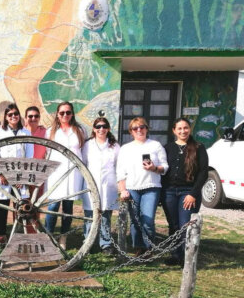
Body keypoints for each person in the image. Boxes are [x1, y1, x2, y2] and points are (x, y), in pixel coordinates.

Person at [117, 117, 168, 256]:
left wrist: (154, 168)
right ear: (131, 132)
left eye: (142, 127)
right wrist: (123, 190)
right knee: (135, 220)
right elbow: (120, 172)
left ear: (147, 129)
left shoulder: (155, 145)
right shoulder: (125, 148)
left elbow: (165, 166)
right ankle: (138, 247)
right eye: (135, 128)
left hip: (151, 187)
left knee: (148, 220)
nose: (139, 130)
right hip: (132, 187)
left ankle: (149, 246)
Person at [161, 117, 208, 266]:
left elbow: (203, 172)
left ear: (190, 129)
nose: (183, 131)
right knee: (173, 225)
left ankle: (187, 258)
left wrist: (193, 193)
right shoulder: (167, 148)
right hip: (169, 192)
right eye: (179, 128)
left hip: (188, 192)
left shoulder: (199, 147)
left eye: (185, 128)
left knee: (185, 225)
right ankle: (175, 255)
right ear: (174, 131)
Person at [44, 101, 86, 249]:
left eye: (68, 112)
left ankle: (63, 238)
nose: (65, 115)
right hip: (56, 172)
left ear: (72, 114)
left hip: (73, 173)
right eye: (62, 113)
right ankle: (48, 237)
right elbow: (47, 153)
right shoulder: (50, 131)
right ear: (57, 114)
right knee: (53, 206)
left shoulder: (80, 130)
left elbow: (83, 151)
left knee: (68, 208)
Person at [0, 103, 33, 235]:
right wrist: (1, 174)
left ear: (19, 116)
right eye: (10, 114)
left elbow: (29, 156)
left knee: (20, 207)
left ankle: (19, 235)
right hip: (3, 176)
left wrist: (23, 176)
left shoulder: (26, 132)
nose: (13, 116)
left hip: (20, 175)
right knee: (1, 208)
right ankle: (0, 235)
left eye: (16, 114)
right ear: (6, 117)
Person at [81, 116, 120, 255]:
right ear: (94, 129)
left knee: (105, 215)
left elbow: (118, 165)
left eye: (104, 126)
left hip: (108, 184)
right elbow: (83, 163)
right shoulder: (88, 145)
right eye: (98, 127)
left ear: (108, 129)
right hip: (91, 183)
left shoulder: (114, 146)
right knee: (90, 214)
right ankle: (88, 241)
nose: (101, 129)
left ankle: (105, 243)